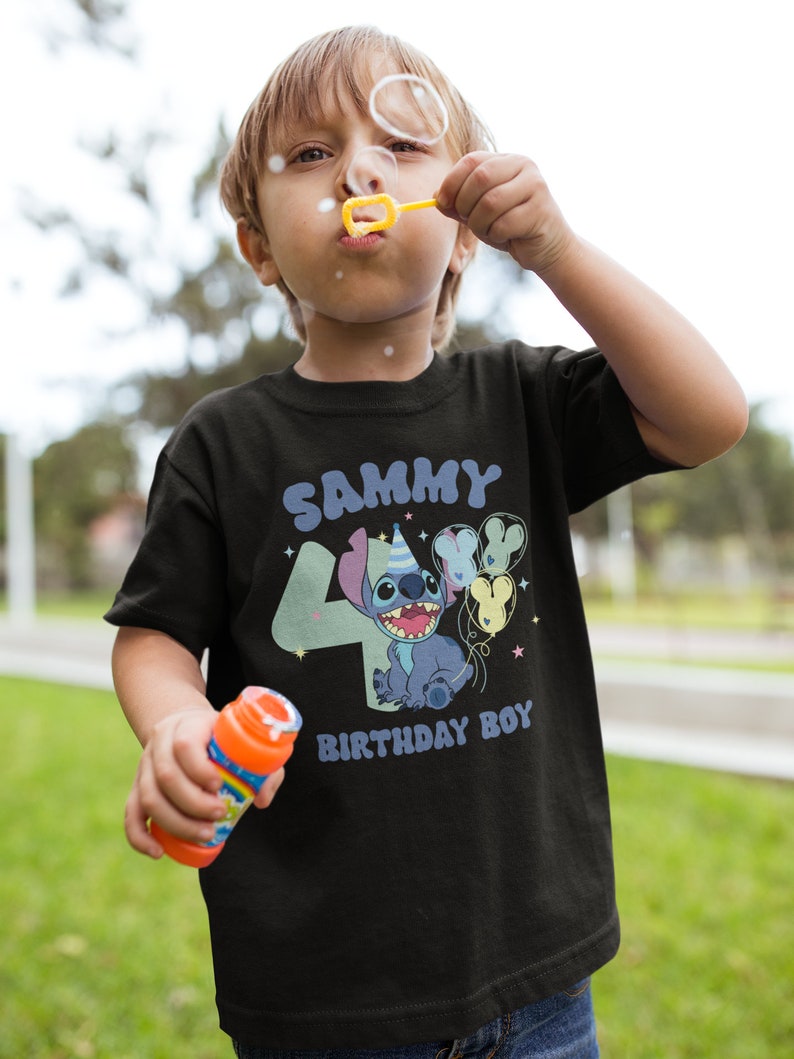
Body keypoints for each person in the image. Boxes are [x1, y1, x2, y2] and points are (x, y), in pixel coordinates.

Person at [106, 24, 748, 1059]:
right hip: (324, 994)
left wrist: (557, 251)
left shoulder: (524, 401)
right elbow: (153, 634)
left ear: (461, 229)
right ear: (258, 246)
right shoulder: (222, 444)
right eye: (311, 154)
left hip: (539, 979)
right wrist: (177, 723)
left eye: (401, 146)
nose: (359, 170)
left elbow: (706, 417)